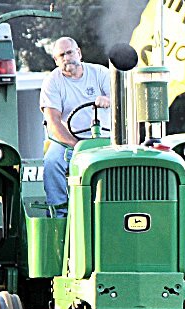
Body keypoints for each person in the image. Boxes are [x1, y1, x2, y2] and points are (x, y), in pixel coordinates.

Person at [40, 37, 111, 217]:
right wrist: (76, 146)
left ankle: (118, 207)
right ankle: (60, 214)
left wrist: (108, 99)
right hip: (69, 142)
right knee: (52, 162)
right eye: (61, 55)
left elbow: (122, 99)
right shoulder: (52, 82)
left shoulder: (100, 73)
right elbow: (53, 122)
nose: (66, 58)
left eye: (69, 52)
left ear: (79, 53)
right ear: (56, 60)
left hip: (105, 139)